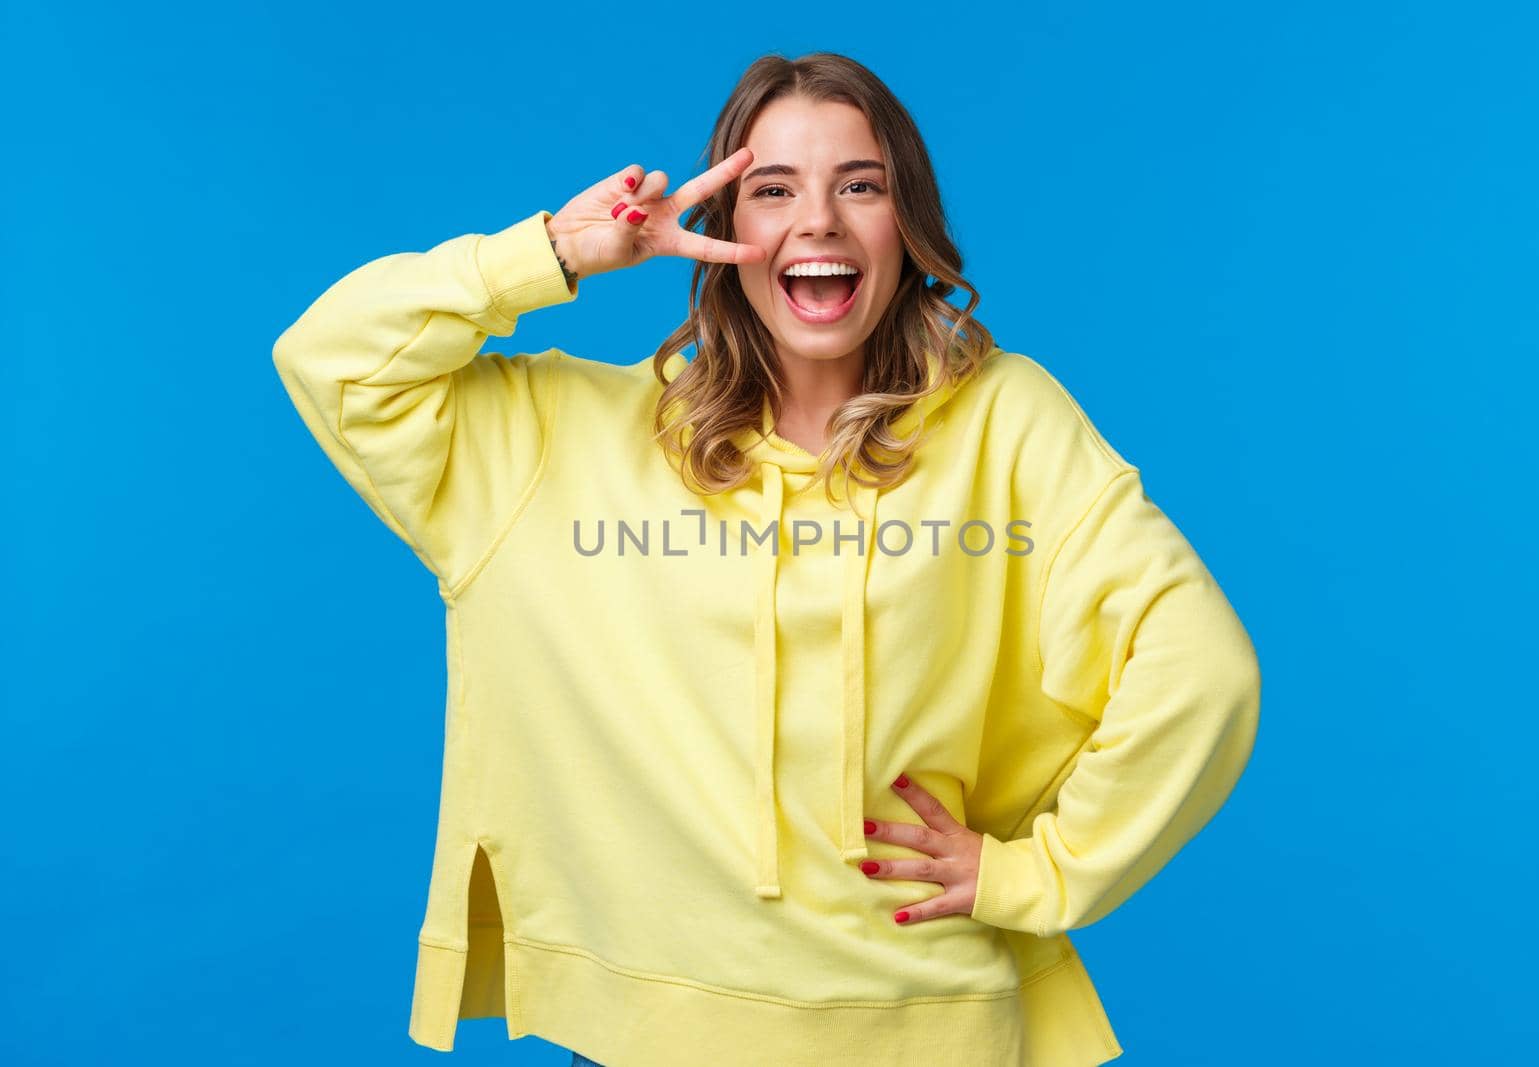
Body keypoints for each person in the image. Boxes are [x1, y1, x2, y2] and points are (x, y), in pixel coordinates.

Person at [272, 51, 1260, 1067]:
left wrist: (1035, 873)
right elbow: (332, 358)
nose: (818, 220)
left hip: (928, 1022)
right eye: (772, 188)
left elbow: (1201, 672)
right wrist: (552, 254)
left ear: (902, 223)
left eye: (859, 186)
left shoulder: (1004, 419)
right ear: (724, 232)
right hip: (651, 1032)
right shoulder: (558, 439)